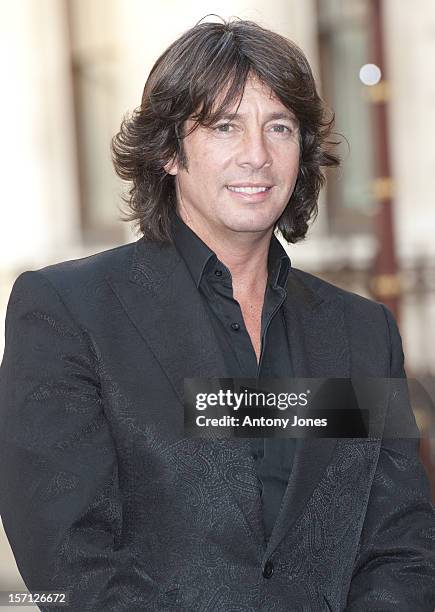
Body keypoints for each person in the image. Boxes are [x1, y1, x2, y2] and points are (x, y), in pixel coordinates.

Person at [0, 18, 434, 612]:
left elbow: (402, 547)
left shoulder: (362, 332)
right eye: (225, 125)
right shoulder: (69, 313)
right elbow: (67, 559)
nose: (256, 155)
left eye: (278, 127)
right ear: (169, 151)